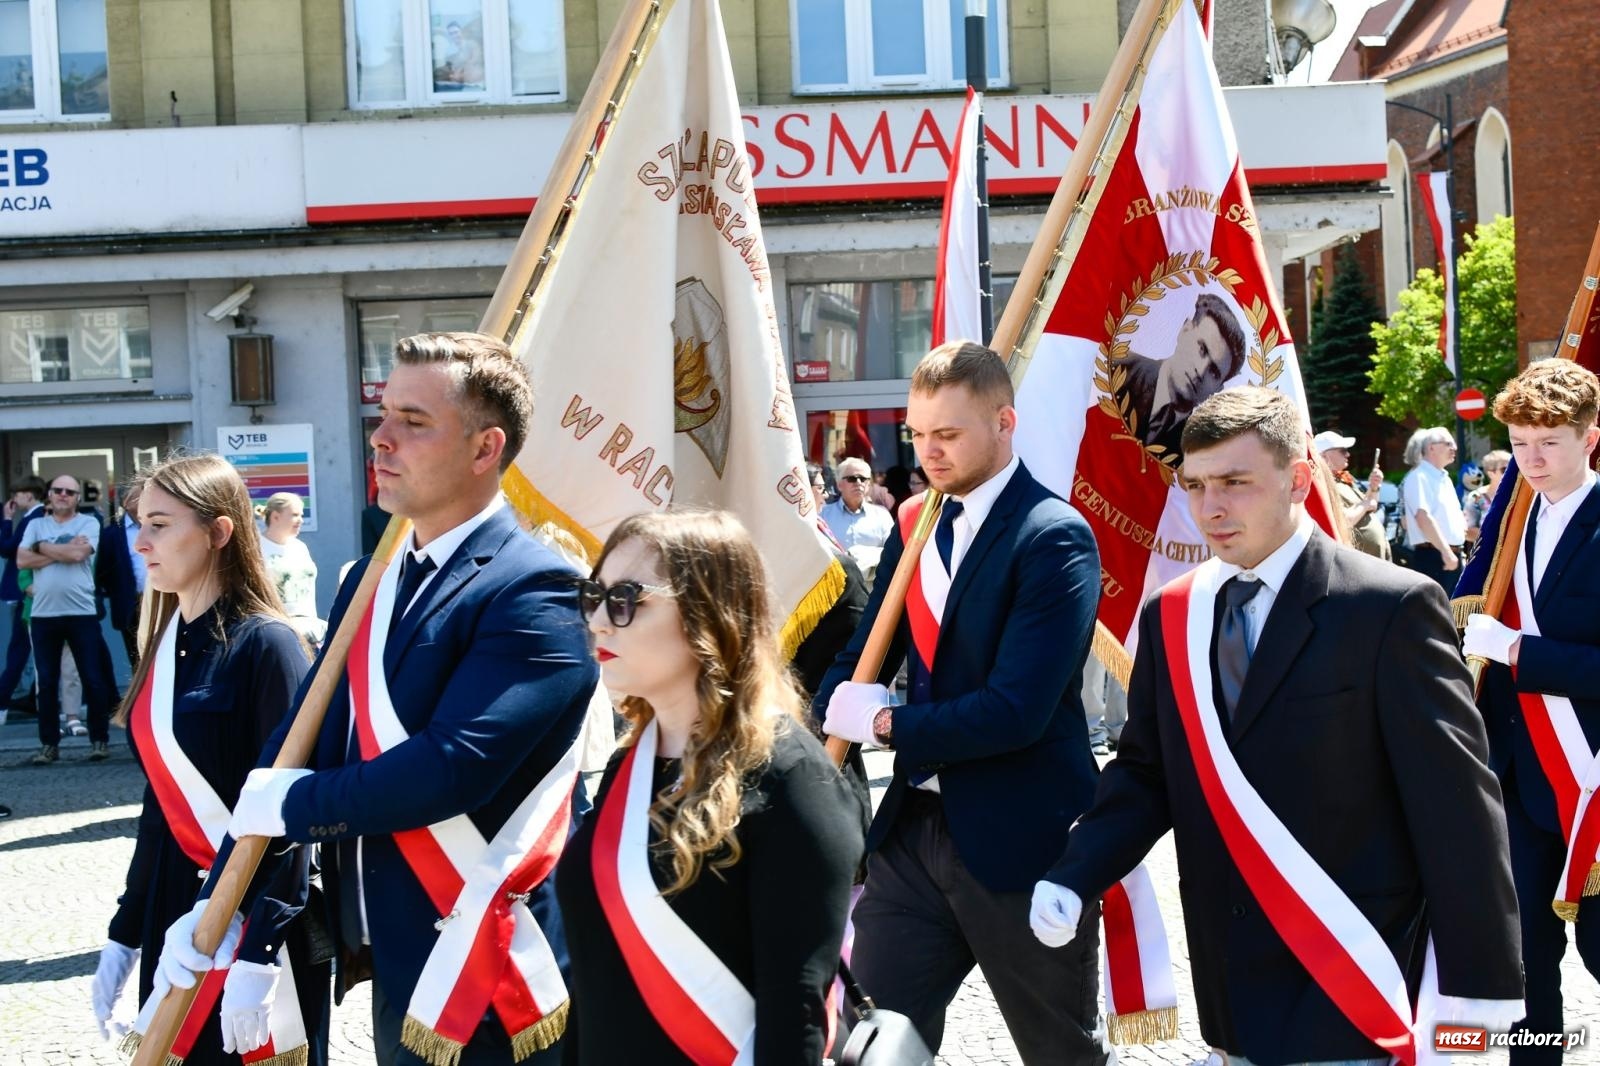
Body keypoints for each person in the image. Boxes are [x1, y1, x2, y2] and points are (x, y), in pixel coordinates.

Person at [1031, 386, 1523, 1064]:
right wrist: (1076, 871)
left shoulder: (1390, 607)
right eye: (1197, 485)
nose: (1212, 508)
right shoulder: (1172, 614)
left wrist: (1478, 990)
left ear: (1297, 480)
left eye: (1235, 482)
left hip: (1352, 976)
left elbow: (1458, 808)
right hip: (1230, 988)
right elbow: (1148, 773)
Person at [158, 332, 599, 1066]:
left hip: (494, 959)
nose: (381, 439)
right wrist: (222, 905)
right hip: (398, 956)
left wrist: (291, 807)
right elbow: (300, 744)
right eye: (383, 414)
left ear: (486, 448)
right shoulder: (377, 576)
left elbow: (449, 768)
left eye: (413, 422)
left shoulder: (535, 588)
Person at [816, 341, 1106, 1063]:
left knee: (1059, 1052)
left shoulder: (1054, 536)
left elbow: (1017, 709)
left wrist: (885, 723)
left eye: (948, 433)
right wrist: (834, 700)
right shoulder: (915, 524)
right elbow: (867, 649)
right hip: (913, 836)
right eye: (918, 433)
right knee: (871, 1047)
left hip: (1022, 839)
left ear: (1004, 422)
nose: (928, 451)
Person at [557, 510, 864, 1063]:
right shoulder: (630, 769)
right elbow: (594, 980)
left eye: (626, 598)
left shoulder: (794, 780)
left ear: (708, 614)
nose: (599, 621)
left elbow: (794, 1013)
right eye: (592, 596)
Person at [91, 453, 328, 1065]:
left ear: (219, 533)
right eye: (139, 524)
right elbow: (159, 805)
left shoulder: (269, 645)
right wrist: (125, 931)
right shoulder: (164, 646)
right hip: (179, 917)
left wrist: (257, 949)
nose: (140, 542)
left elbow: (292, 812)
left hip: (256, 917)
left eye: (160, 525)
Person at [1462, 362, 1600, 1063]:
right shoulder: (1507, 525)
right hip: (1514, 776)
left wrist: (1521, 650)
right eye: (1519, 444)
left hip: (1591, 783)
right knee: (1522, 961)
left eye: (1548, 442)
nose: (1532, 461)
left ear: (1590, 438)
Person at [17, 474, 119, 764]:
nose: (63, 495)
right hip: (43, 615)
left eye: (69, 492)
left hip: (81, 614)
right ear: (49, 494)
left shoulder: (88, 523)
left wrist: (41, 547)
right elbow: (22, 561)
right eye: (57, 490)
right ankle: (49, 745)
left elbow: (79, 555)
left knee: (92, 679)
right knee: (46, 684)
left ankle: (99, 741)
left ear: (77, 498)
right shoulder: (35, 524)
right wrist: (60, 549)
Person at [1111, 291, 1247, 461]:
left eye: (1214, 371)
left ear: (1218, 389)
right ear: (1185, 330)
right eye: (1201, 349)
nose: (1201, 370)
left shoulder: (1198, 453)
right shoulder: (1115, 370)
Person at [0, 475, 47, 714]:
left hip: (26, 593)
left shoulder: (34, 518)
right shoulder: (33, 517)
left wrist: (6, 520)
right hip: (26, 591)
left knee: (20, 649)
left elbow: (8, 548)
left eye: (17, 494)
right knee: (28, 648)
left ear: (29, 494)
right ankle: (31, 697)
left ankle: (3, 699)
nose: (14, 499)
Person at [1400, 425, 1466, 591]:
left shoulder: (1443, 477)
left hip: (1449, 556)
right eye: (1448, 444)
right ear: (1431, 447)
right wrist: (1447, 552)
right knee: (1438, 614)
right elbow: (1423, 518)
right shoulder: (1419, 476)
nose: (1454, 448)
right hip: (1436, 557)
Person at [257, 492, 326, 646]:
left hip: (310, 631)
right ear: (275, 517)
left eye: (301, 515)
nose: (300, 520)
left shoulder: (300, 548)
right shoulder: (257, 548)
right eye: (294, 515)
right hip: (277, 632)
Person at [1314, 430, 1389, 560]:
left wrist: (1374, 487)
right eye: (1342, 450)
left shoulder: (1344, 478)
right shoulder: (1322, 484)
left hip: (1374, 556)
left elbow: (1372, 505)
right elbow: (1343, 521)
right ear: (1325, 456)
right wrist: (1365, 505)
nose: (1348, 454)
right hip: (1360, 560)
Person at [97, 480, 147, 668]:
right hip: (130, 607)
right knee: (138, 661)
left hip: (164, 602)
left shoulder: (160, 526)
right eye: (139, 495)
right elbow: (103, 571)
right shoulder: (111, 534)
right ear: (126, 502)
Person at [820, 457, 894, 553]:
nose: (858, 483)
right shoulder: (823, 515)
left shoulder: (882, 516)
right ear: (839, 485)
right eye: (852, 479)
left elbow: (892, 552)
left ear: (868, 485)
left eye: (863, 479)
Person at [1464, 449, 1510, 551]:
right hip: (1485, 555)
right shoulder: (1477, 497)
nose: (1511, 473)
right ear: (1491, 473)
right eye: (1505, 469)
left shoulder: (1516, 496)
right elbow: (1468, 531)